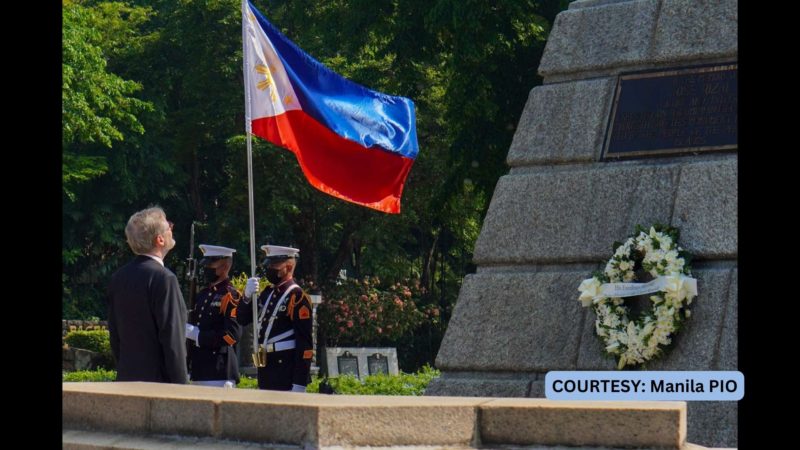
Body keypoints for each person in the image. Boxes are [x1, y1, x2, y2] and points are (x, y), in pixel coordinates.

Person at [107, 206, 188, 383]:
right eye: (169, 227)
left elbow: (115, 336)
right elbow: (173, 341)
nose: (171, 230)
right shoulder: (164, 278)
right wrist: (182, 388)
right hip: (159, 385)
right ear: (159, 239)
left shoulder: (118, 278)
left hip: (127, 380)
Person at [239, 245, 313, 391]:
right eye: (269, 264)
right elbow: (243, 319)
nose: (270, 268)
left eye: (275, 264)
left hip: (285, 369)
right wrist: (246, 297)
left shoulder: (297, 297)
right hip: (266, 366)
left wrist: (299, 383)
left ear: (289, 266)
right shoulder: (268, 293)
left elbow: (305, 344)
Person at [184, 244, 243, 387]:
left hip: (219, 370)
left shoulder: (230, 295)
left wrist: (199, 336)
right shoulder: (203, 294)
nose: (206, 269)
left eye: (211, 265)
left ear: (224, 267)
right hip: (199, 369)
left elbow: (232, 335)